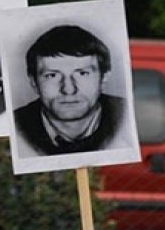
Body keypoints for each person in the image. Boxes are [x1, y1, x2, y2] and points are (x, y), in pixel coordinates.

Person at [13, 25, 126, 155]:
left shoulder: (127, 118)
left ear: (104, 76)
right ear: (33, 82)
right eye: (52, 75)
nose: (68, 89)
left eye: (82, 73)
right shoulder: (15, 128)